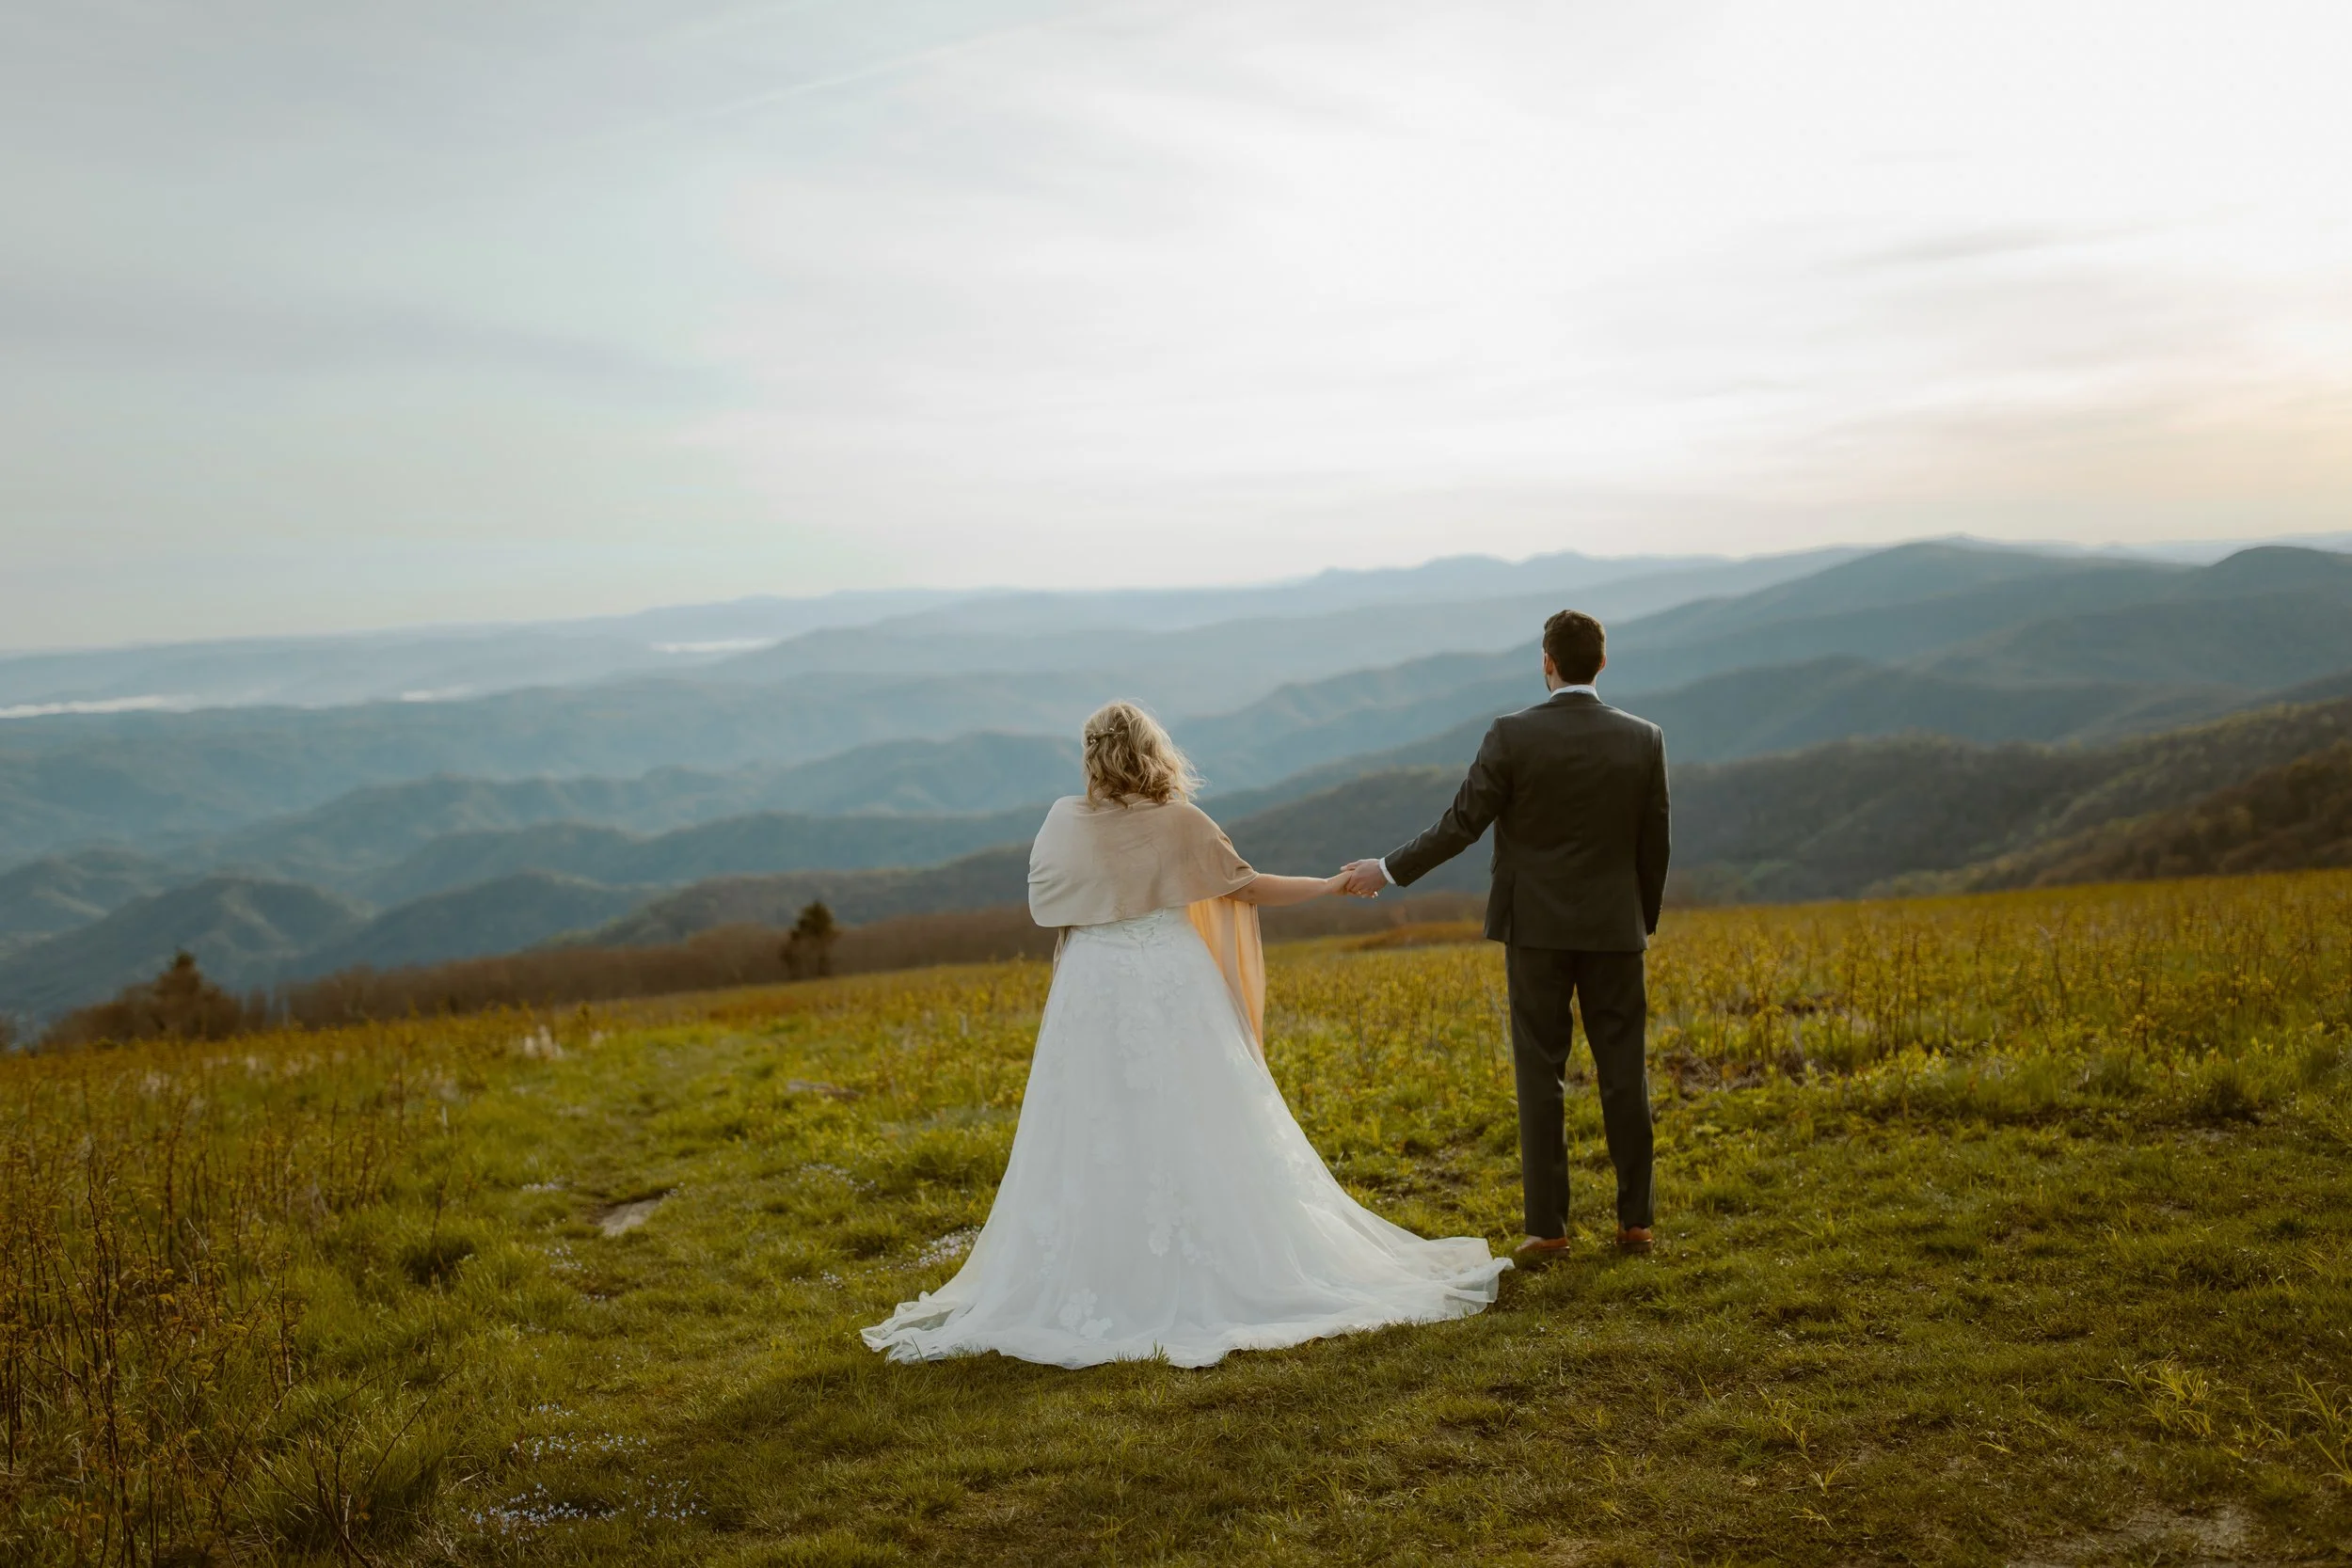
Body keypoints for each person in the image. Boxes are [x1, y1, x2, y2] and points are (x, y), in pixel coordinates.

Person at [863, 701, 1509, 1368]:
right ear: (1154, 750)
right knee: (1202, 1110)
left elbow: (1043, 901)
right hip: (1172, 978)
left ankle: (1102, 1264)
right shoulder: (1180, 820)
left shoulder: (1063, 820)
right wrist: (1330, 884)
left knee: (1093, 1119)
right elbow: (1248, 887)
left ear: (1092, 756)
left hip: (1093, 986)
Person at [1341, 610, 1670, 1262]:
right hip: (1614, 929)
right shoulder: (1645, 739)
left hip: (1536, 929)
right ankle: (1636, 1222)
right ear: (1601, 663)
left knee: (1540, 1074)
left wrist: (1386, 868)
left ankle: (1548, 1228)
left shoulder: (1511, 735)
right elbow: (1654, 845)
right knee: (1624, 1074)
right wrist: (1639, 920)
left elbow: (1462, 823)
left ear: (1547, 662)